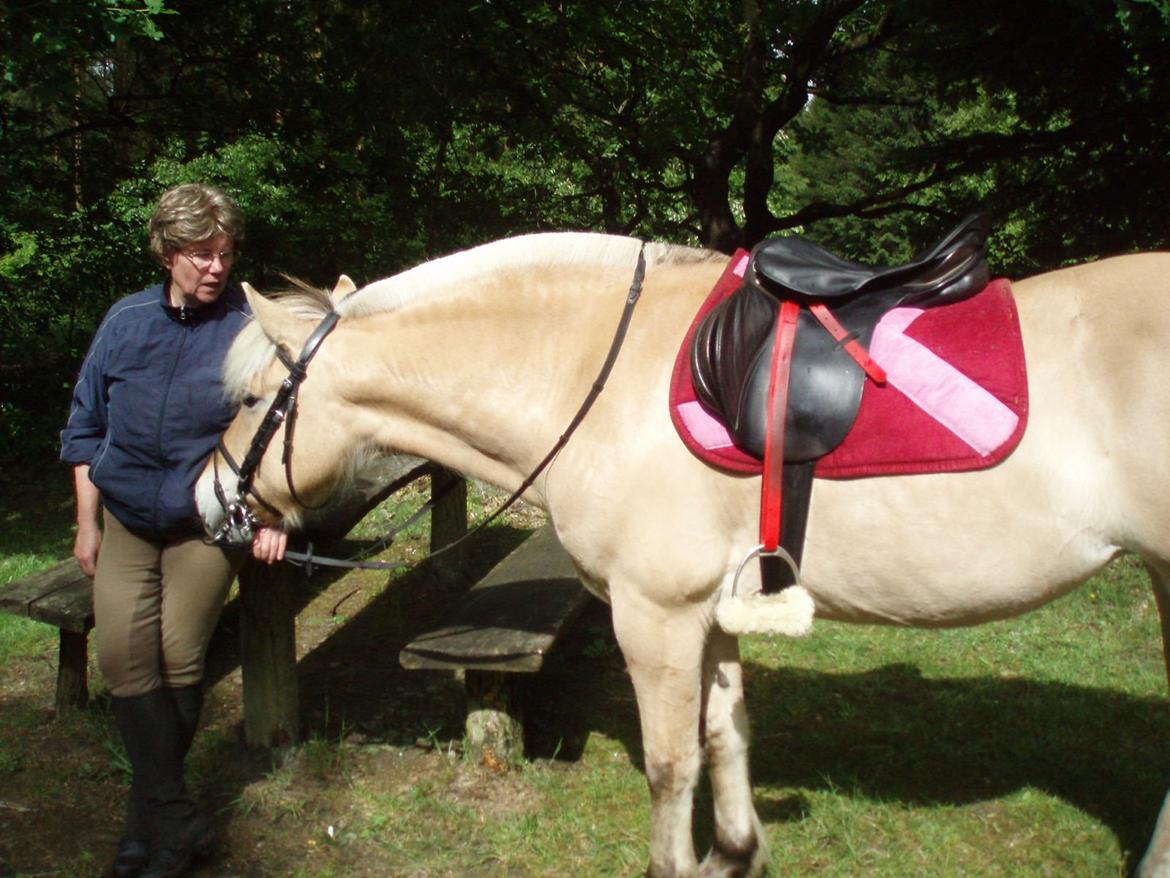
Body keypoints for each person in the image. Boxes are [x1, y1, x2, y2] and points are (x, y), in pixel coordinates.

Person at [60, 183, 287, 878]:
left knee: (178, 658)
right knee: (124, 663)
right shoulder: (125, 322)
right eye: (199, 254)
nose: (216, 267)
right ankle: (174, 816)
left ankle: (148, 824)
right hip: (127, 516)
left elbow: (280, 431)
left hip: (205, 523)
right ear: (166, 253)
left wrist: (274, 512)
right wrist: (87, 523)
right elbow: (84, 428)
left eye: (224, 254)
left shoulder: (250, 328)